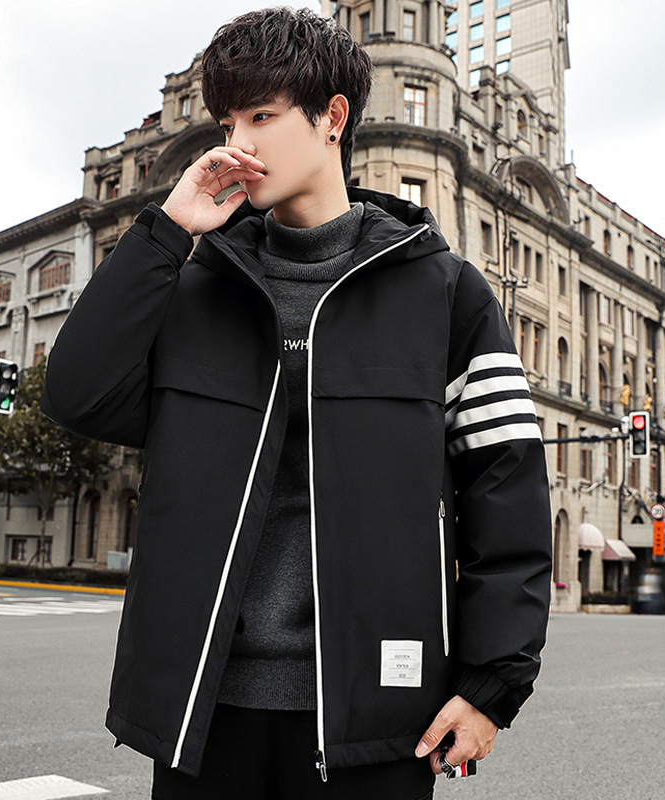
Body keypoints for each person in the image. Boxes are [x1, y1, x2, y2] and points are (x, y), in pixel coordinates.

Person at [41, 7, 552, 799]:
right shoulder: (196, 288)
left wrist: (491, 687)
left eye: (261, 116)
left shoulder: (447, 294)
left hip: (376, 720)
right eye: (226, 122)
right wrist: (168, 230)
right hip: (204, 715)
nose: (235, 144)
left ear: (332, 119)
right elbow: (77, 394)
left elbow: (507, 495)